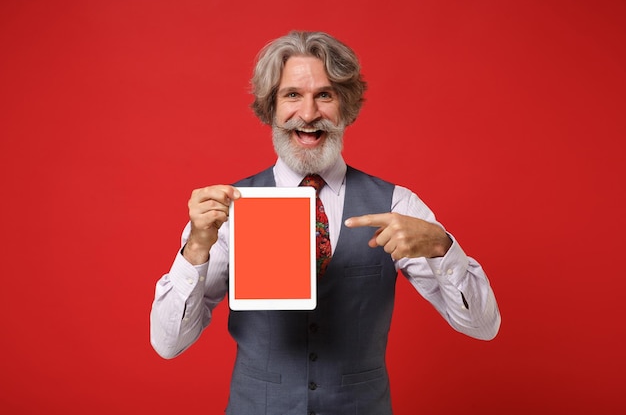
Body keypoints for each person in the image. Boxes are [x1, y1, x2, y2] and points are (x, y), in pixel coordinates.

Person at [150, 30, 501, 415]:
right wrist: (196, 247)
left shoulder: (398, 204)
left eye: (325, 95)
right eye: (292, 95)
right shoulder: (228, 210)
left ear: (346, 107)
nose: (309, 113)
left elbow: (482, 327)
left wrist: (443, 247)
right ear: (270, 107)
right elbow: (168, 345)